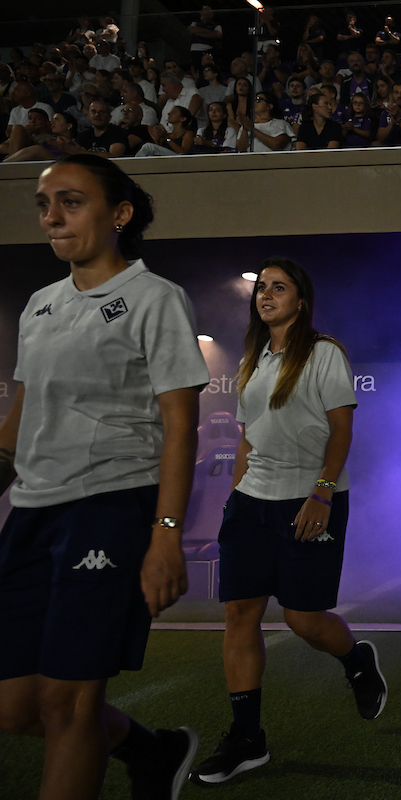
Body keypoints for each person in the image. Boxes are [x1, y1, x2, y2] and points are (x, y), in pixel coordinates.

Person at [0, 153, 209, 798]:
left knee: (68, 704)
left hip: (111, 508)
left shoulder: (155, 299)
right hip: (33, 514)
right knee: (14, 710)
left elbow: (181, 427)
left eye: (71, 201)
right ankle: (151, 751)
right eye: (43, 204)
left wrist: (166, 534)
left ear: (119, 214)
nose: (52, 217)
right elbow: (19, 425)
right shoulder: (39, 306)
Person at [190, 257, 386, 784]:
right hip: (253, 501)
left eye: (280, 287)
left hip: (310, 499)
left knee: (303, 619)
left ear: (301, 301)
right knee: (240, 616)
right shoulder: (253, 358)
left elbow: (341, 431)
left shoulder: (325, 354)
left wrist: (322, 491)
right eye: (262, 288)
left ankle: (356, 661)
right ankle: (247, 738)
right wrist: (232, 500)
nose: (266, 294)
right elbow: (247, 436)